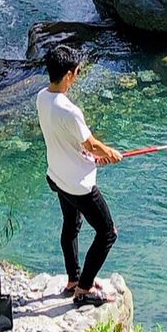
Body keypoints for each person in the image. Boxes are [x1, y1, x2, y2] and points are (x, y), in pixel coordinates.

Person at [36, 43, 122, 307]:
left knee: (71, 226)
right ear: (70, 75)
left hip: (57, 176)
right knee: (107, 232)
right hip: (79, 185)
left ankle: (74, 279)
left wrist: (95, 155)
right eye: (77, 71)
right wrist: (110, 152)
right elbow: (90, 144)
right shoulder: (70, 111)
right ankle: (83, 290)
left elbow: (73, 144)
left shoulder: (42, 97)